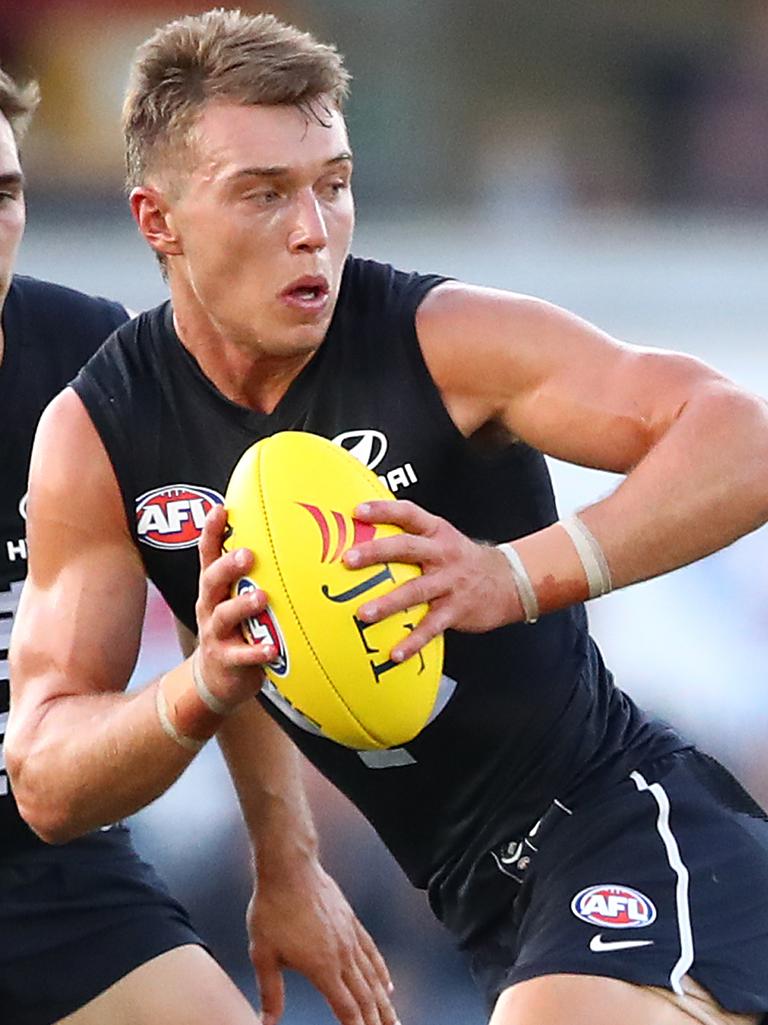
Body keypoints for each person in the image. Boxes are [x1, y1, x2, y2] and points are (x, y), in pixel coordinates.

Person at [7, 9, 768, 1025]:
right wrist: (198, 690)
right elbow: (46, 773)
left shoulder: (442, 338)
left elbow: (739, 436)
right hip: (480, 899)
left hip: (631, 826)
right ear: (159, 220)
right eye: (264, 193)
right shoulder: (101, 431)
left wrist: (517, 573)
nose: (313, 227)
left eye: (334, 182)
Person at [0, 62, 395, 1025]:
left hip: (46, 863)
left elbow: (217, 608)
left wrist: (287, 862)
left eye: (5, 192)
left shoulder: (92, 371)